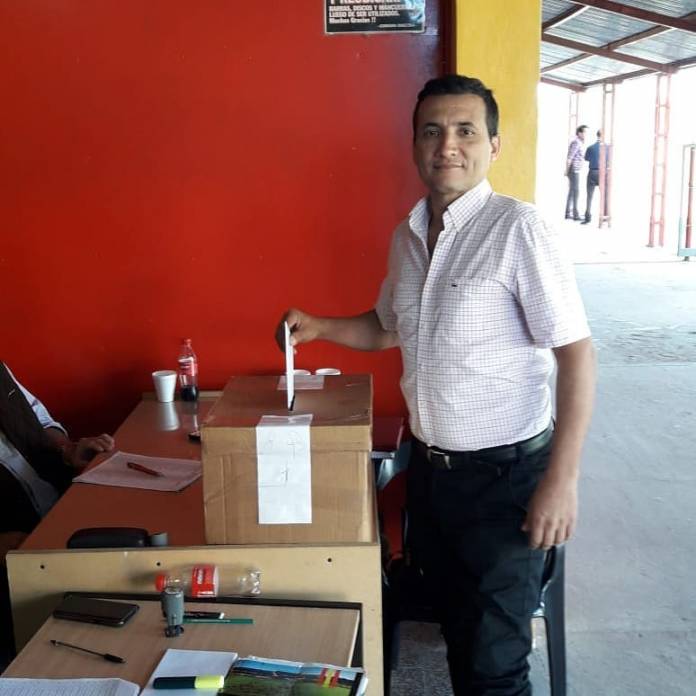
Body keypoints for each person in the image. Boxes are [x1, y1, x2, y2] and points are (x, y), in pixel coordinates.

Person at [277, 74, 595, 696]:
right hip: (432, 477)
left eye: (465, 130)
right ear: (415, 145)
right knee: (457, 635)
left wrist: (562, 481)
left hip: (508, 484)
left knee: (494, 669)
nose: (447, 144)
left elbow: (577, 355)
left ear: (492, 146)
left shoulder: (518, 230)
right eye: (432, 131)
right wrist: (319, 326)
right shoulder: (407, 236)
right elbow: (387, 328)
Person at [565, 124, 588, 221]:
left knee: (572, 191)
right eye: (584, 132)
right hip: (573, 170)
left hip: (575, 170)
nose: (586, 134)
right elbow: (569, 157)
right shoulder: (576, 143)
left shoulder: (579, 143)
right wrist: (567, 170)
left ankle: (568, 213)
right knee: (576, 192)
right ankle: (575, 214)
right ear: (579, 133)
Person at [582, 130, 604, 225]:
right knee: (603, 196)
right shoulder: (606, 148)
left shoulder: (590, 148)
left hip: (592, 172)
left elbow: (586, 158)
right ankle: (603, 215)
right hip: (602, 173)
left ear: (597, 135)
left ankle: (587, 217)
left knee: (589, 196)